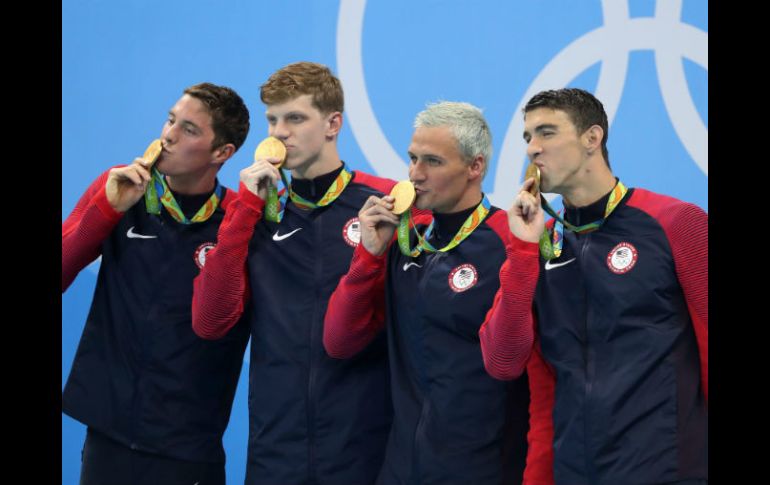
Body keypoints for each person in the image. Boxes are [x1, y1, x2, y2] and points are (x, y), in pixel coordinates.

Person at [482, 88, 708, 484]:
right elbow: (503, 362)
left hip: (667, 469)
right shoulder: (539, 244)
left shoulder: (675, 223)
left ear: (592, 138)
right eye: (527, 137)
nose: (533, 149)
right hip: (574, 471)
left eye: (547, 133)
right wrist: (521, 250)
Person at [192, 62, 395, 485]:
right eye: (272, 119)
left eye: (295, 118)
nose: (279, 132)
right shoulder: (253, 213)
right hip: (275, 448)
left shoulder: (385, 205)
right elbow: (210, 323)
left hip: (365, 446)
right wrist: (246, 208)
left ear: (332, 124)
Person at [324, 101, 531, 485]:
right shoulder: (403, 239)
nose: (414, 174)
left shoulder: (512, 241)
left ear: (475, 167)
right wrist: (367, 255)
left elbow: (516, 362)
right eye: (413, 158)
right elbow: (338, 341)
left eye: (432, 162)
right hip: (401, 467)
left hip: (484, 469)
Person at [62, 82, 252, 485]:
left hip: (188, 445)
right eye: (170, 120)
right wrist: (106, 210)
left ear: (222, 153)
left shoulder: (239, 219)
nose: (168, 135)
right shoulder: (118, 189)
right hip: (109, 435)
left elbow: (219, 319)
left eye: (189, 129)